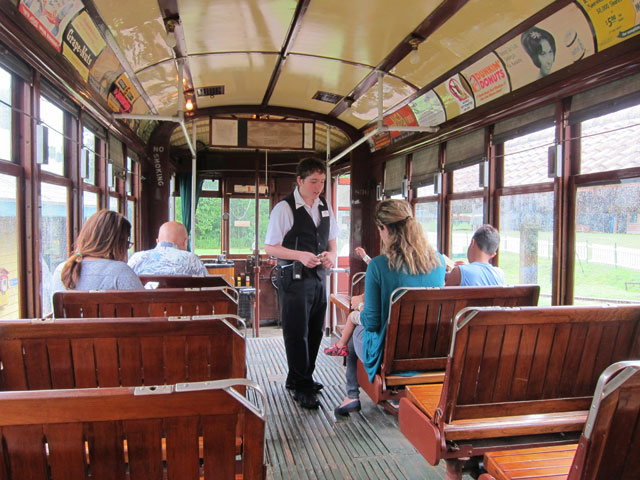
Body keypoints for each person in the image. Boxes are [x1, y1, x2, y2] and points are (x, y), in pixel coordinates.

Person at [335, 199, 446, 416]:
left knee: (355, 333)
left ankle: (351, 395)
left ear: (384, 228)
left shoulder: (378, 266)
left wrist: (359, 309)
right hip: (427, 349)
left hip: (389, 355)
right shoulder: (438, 261)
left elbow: (372, 322)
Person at [264, 157, 338, 409]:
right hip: (294, 278)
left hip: (318, 278)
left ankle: (300, 377)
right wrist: (299, 255)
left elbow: (333, 241)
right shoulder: (284, 208)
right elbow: (270, 247)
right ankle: (302, 386)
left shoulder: (324, 206)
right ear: (299, 181)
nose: (319, 187)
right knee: (297, 332)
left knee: (316, 330)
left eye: (322, 182)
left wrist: (331, 255)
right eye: (313, 181)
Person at [52, 210, 143, 292]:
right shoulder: (120, 271)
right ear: (118, 243)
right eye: (126, 243)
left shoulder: (61, 271)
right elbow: (144, 303)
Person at [324, 246, 370, 357]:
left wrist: (360, 304)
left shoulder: (381, 269)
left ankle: (341, 345)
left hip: (375, 324)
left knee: (352, 316)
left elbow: (370, 320)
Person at [128, 221, 208, 276]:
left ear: (157, 241)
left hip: (145, 296)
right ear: (185, 242)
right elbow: (207, 288)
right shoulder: (192, 260)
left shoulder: (136, 258)